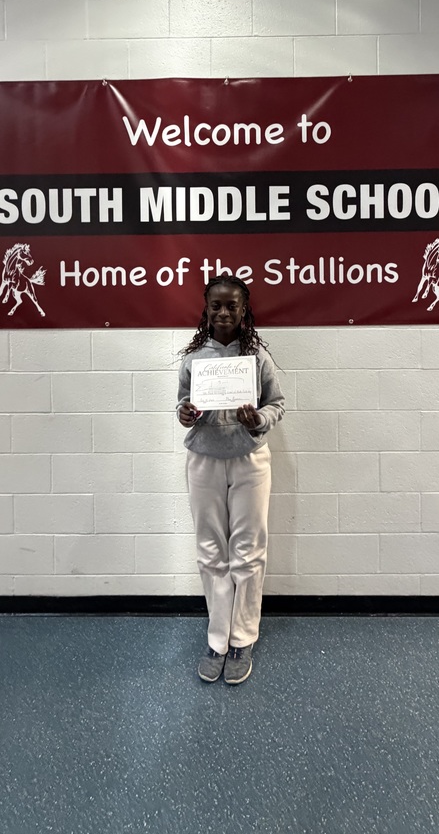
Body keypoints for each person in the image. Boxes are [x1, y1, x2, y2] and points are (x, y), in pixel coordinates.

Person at [177, 273, 285, 685]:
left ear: (245, 311)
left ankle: (242, 638)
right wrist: (185, 413)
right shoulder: (193, 360)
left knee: (248, 550)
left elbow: (276, 404)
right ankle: (217, 638)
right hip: (204, 460)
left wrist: (256, 418)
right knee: (210, 550)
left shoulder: (256, 358)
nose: (224, 312)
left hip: (249, 459)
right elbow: (182, 404)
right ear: (206, 310)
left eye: (232, 306)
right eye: (216, 305)